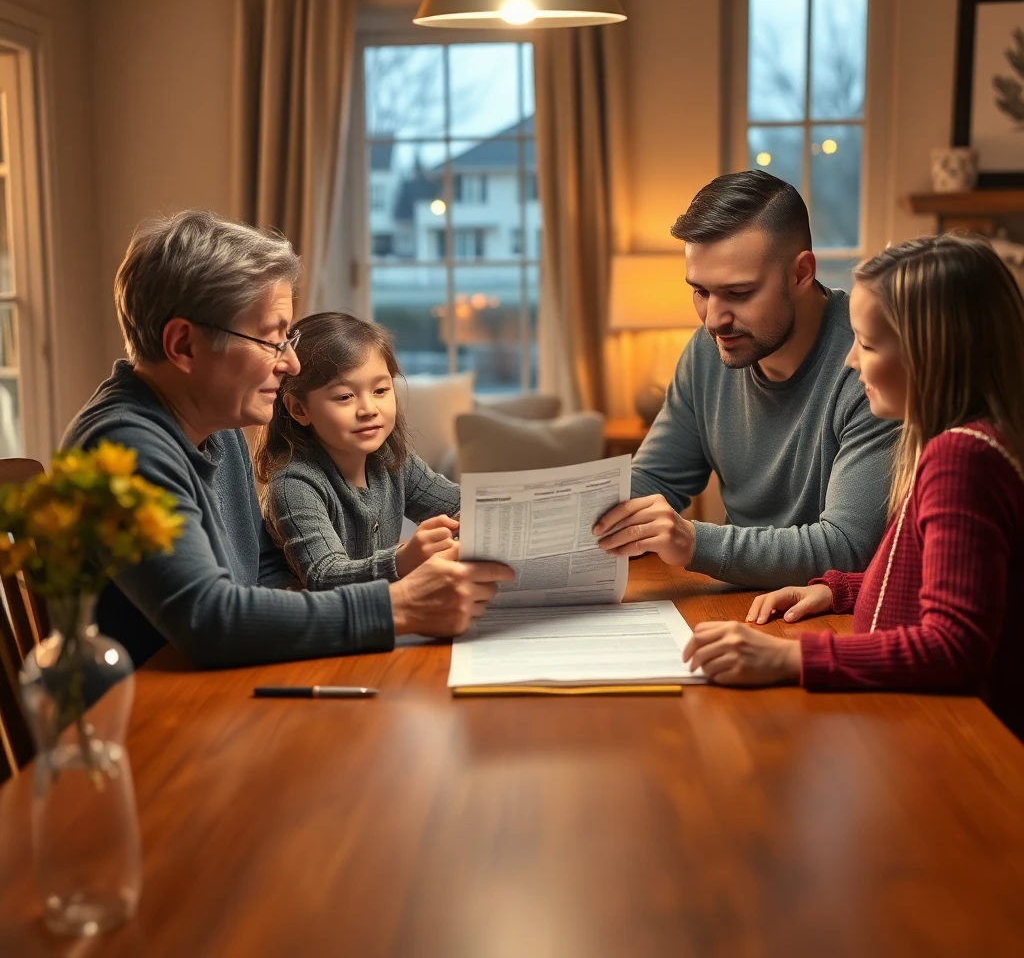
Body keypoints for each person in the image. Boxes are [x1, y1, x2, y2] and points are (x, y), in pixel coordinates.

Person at [62, 210, 511, 668]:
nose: (292, 364)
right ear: (184, 345)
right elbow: (208, 618)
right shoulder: (122, 449)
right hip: (152, 699)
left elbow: (263, 569)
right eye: (272, 341)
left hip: (216, 682)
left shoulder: (217, 429)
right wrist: (402, 605)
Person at [683, 234, 1024, 738]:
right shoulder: (969, 443)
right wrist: (841, 589)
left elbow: (954, 647)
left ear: (932, 353)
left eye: (866, 344)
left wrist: (790, 657)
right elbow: (952, 580)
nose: (850, 361)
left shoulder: (962, 459)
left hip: (958, 741)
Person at [594, 170, 898, 587]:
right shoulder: (706, 353)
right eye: (701, 291)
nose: (713, 320)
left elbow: (848, 546)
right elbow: (655, 481)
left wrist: (693, 542)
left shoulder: (872, 366)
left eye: (738, 293)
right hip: (736, 600)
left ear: (801, 273)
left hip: (832, 612)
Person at [253, 311, 460, 590]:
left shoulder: (392, 460)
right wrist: (403, 559)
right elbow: (324, 575)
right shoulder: (294, 483)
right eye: (345, 396)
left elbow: (460, 505)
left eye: (380, 390)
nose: (369, 409)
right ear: (299, 409)